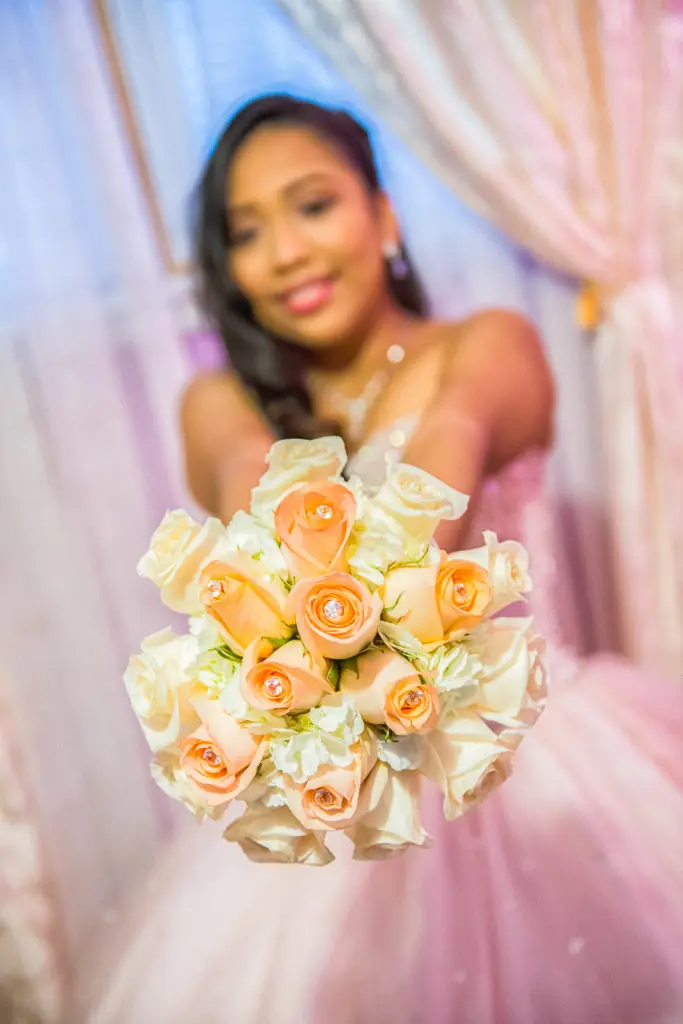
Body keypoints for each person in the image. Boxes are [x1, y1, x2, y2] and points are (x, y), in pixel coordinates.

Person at [82, 96, 683, 1024]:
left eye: (312, 205)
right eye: (245, 232)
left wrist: (362, 597)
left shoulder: (488, 345)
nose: (283, 253)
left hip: (537, 761)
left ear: (384, 215)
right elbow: (252, 480)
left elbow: (455, 430)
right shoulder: (216, 400)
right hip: (338, 797)